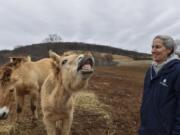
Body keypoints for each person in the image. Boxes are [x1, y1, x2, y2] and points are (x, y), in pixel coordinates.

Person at [139, 35, 180, 135]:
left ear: (169, 50)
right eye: (152, 47)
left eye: (157, 47)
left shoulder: (177, 71)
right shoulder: (151, 70)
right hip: (146, 129)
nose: (153, 50)